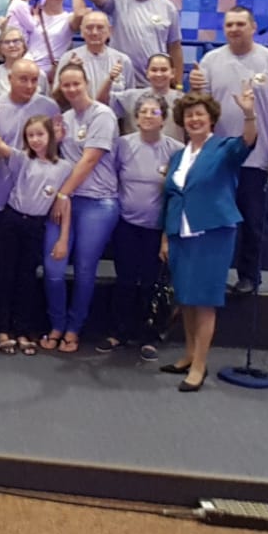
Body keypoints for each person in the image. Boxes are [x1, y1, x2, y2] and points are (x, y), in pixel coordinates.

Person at [189, 6, 268, 295]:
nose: (234, 29)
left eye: (240, 24)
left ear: (253, 26)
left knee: (252, 221)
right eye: (229, 24)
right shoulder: (211, 60)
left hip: (256, 158)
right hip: (218, 157)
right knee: (214, 220)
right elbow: (200, 107)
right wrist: (193, 88)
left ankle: (249, 276)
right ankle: (213, 273)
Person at [160, 87, 258, 391]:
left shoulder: (224, 148)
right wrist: (166, 237)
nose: (194, 119)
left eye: (199, 114)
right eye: (189, 115)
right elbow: (171, 197)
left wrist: (249, 113)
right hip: (180, 233)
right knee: (186, 299)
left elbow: (248, 141)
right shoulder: (179, 155)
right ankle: (189, 355)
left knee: (203, 301)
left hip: (212, 233)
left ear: (211, 118)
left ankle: (200, 366)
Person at [0, 108, 71, 356]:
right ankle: (3, 329)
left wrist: (63, 237)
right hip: (12, 220)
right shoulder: (23, 159)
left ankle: (23, 330)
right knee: (5, 274)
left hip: (35, 226)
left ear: (50, 135)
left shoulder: (64, 167)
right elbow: (0, 145)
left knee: (27, 277)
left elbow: (65, 202)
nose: (35, 140)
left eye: (40, 134)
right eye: (30, 135)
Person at [0, 59, 62, 327]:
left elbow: (56, 149)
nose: (29, 85)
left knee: (27, 267)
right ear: (9, 79)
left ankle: (21, 323)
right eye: (23, 79)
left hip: (32, 203)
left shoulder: (49, 107)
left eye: (34, 80)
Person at [100, 95, 184, 359]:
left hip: (156, 229)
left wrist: (167, 235)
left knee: (150, 283)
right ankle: (119, 332)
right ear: (136, 118)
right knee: (125, 280)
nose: (148, 116)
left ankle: (149, 336)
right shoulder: (122, 145)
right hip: (126, 224)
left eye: (154, 112)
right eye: (143, 112)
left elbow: (178, 194)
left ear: (164, 118)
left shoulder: (176, 150)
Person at [44, 62, 120, 353]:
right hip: (67, 199)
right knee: (53, 267)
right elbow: (55, 159)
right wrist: (55, 142)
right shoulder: (63, 119)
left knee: (85, 269)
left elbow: (89, 160)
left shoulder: (103, 115)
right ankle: (56, 323)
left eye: (76, 83)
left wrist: (62, 194)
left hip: (98, 201)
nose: (72, 89)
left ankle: (74, 328)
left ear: (87, 83)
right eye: (66, 85)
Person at [4, 0, 74, 77]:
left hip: (49, 70)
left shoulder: (68, 17)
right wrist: (36, 17)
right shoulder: (25, 7)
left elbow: (80, 14)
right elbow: (30, 26)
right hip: (26, 64)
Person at [54, 11, 134, 102]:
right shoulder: (68, 58)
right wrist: (70, 72)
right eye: (89, 28)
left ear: (109, 31)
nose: (94, 32)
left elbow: (130, 99)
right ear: (81, 31)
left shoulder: (123, 60)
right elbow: (57, 98)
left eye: (100, 27)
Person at [111, 53, 184, 138]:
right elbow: (102, 101)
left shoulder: (181, 100)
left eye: (163, 70)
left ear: (173, 73)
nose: (158, 74)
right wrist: (110, 79)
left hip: (173, 146)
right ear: (147, 73)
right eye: (154, 70)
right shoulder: (130, 97)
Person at [0, 28, 49, 99]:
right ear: (0, 48)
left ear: (23, 46)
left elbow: (46, 102)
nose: (11, 45)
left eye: (16, 41)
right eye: (6, 42)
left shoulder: (38, 74)